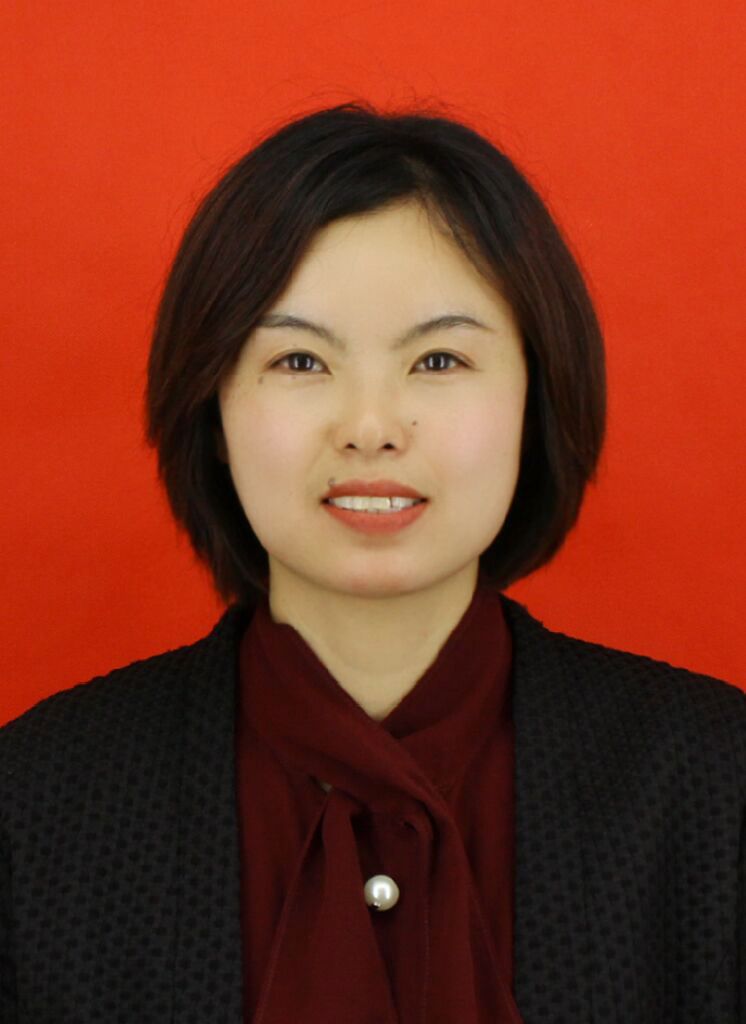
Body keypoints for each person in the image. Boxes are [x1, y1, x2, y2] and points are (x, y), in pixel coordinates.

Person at [0, 100, 743, 1024]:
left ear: (536, 399)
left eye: (438, 361)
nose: (370, 427)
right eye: (300, 362)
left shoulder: (716, 790)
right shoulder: (39, 805)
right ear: (213, 411)